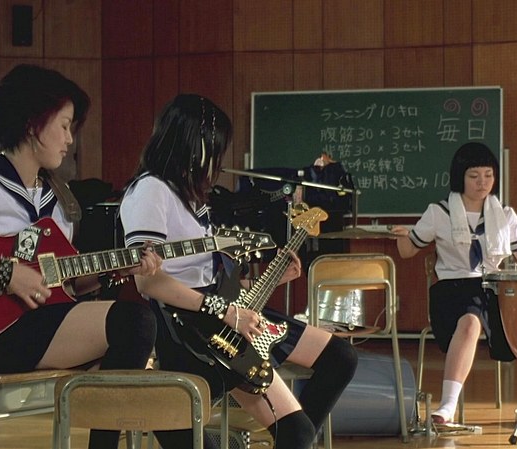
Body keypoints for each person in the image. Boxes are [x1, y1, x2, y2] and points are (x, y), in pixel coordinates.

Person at [0, 64, 161, 449]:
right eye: (64, 125)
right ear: (31, 124)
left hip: (34, 326)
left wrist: (116, 269)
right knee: (134, 323)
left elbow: (63, 286)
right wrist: (6, 273)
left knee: (134, 325)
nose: (69, 139)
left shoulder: (58, 201)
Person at [120, 94, 359, 449]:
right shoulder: (151, 190)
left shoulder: (189, 195)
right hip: (192, 326)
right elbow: (148, 280)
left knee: (340, 358)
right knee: (297, 431)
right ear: (196, 145)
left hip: (221, 313)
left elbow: (206, 273)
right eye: (215, 148)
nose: (217, 160)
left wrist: (269, 279)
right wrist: (227, 312)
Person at [391, 141, 517, 428]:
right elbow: (407, 251)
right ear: (460, 177)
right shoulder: (439, 212)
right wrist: (402, 235)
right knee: (469, 322)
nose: (483, 183)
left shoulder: (505, 214)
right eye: (474, 176)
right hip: (452, 290)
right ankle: (447, 406)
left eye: (488, 175)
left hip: (493, 289)